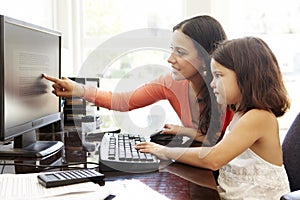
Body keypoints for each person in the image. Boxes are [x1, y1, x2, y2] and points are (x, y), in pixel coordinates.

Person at [135, 37, 291, 199]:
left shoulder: (258, 117)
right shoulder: (240, 112)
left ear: (245, 76)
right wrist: (184, 131)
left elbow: (213, 158)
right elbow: (217, 145)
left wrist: (164, 151)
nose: (212, 84)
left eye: (218, 75)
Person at [43, 15, 233, 145]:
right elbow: (123, 101)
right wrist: (77, 89)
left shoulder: (230, 90)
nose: (170, 58)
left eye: (180, 52)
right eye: (172, 49)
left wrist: (183, 131)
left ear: (206, 57)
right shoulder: (171, 83)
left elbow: (223, 143)